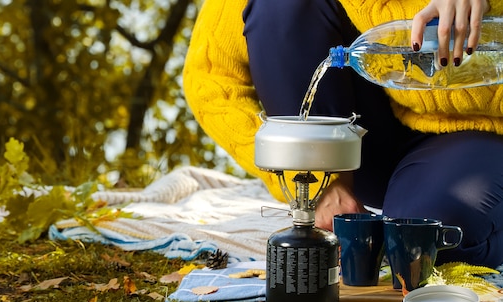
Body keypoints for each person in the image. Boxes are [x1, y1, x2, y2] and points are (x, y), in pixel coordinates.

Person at [183, 0, 503, 268]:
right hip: (355, 140)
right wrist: (313, 177)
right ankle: (332, 191)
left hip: (478, 133)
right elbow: (212, 80)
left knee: (419, 244)